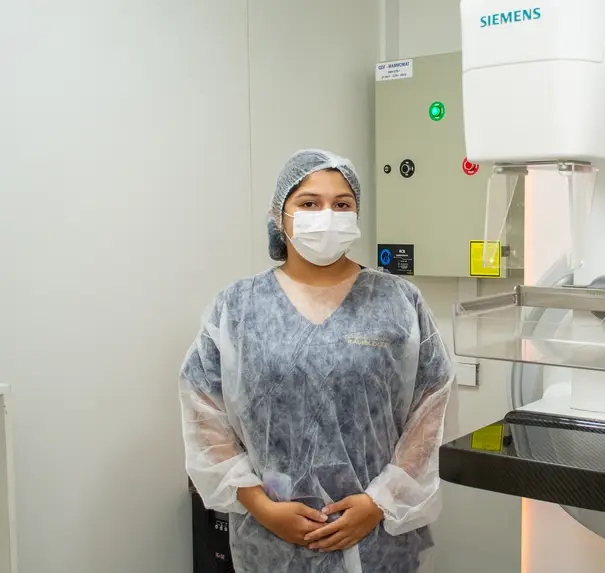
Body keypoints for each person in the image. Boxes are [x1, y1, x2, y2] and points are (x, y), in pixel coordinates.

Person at [179, 149, 458, 573]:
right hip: (272, 542)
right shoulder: (237, 307)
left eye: (341, 204)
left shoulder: (398, 301)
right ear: (280, 216)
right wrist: (261, 506)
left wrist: (380, 502)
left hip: (379, 540)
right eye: (309, 203)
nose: (327, 216)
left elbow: (431, 409)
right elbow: (204, 411)